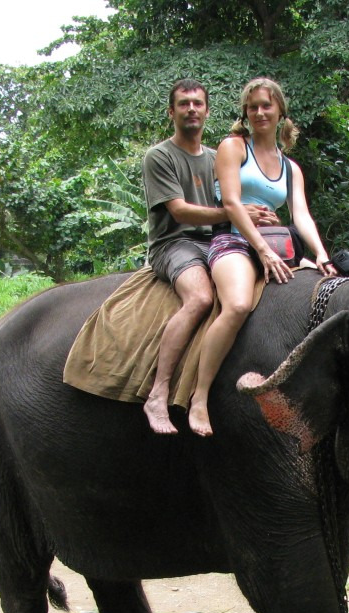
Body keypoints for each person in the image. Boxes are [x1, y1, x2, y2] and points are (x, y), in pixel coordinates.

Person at [188, 77, 338, 437]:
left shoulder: (291, 168)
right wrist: (261, 250)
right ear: (245, 112)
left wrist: (321, 255)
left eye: (266, 105)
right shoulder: (233, 147)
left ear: (280, 111)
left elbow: (300, 216)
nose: (259, 112)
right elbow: (232, 203)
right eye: (252, 106)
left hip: (274, 244)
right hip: (235, 243)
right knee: (237, 304)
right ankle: (199, 396)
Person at [141, 79, 281, 434]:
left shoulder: (214, 157)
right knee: (202, 297)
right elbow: (181, 212)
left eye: (198, 103)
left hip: (216, 242)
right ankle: (158, 394)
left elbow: (235, 199)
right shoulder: (160, 156)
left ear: (207, 111)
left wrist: (259, 216)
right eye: (184, 103)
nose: (192, 109)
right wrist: (234, 214)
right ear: (171, 112)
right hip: (175, 242)